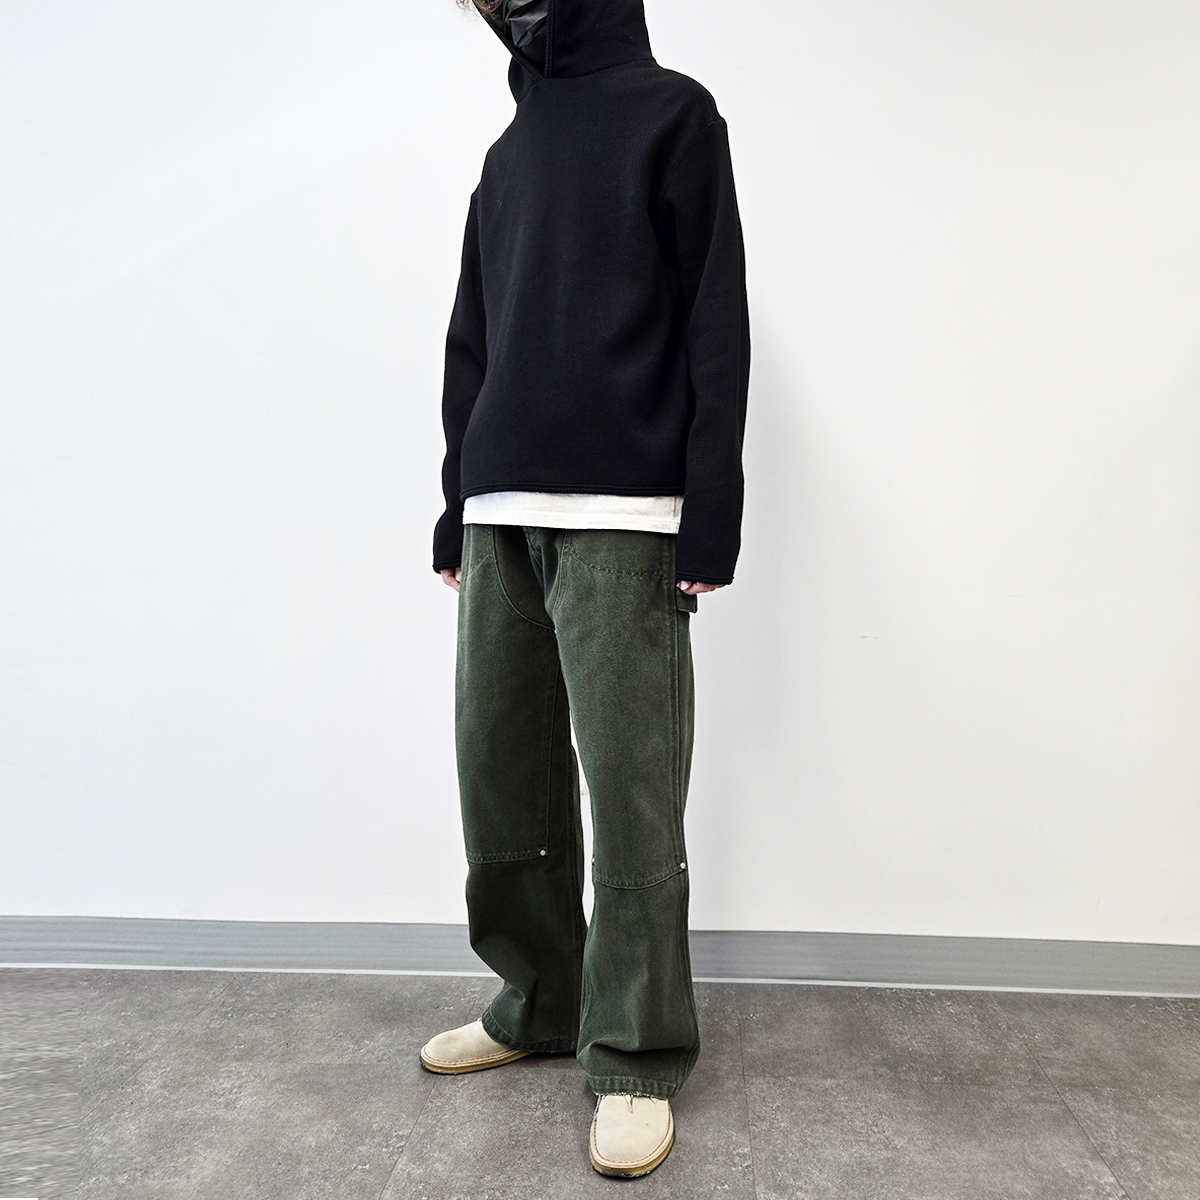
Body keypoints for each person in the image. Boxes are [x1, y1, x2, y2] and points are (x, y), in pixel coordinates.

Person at [422, 0, 749, 1178]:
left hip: (625, 517)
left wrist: (710, 513)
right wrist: (455, 502)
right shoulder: (508, 153)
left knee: (631, 792)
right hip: (500, 513)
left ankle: (636, 1053)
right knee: (501, 778)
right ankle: (540, 1001)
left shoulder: (675, 117)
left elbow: (715, 322)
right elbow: (472, 339)